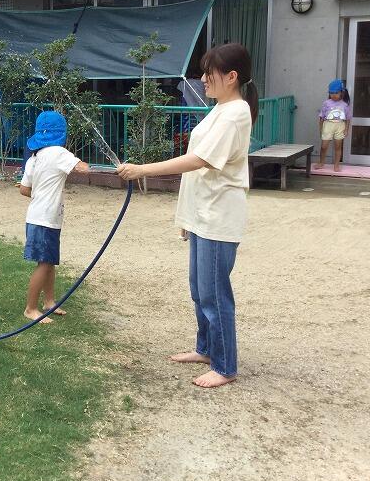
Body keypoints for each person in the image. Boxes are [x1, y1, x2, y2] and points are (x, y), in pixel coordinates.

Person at [117, 43, 257, 388]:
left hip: (218, 216)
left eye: (209, 72)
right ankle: (206, 349)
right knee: (199, 290)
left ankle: (225, 366)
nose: (203, 79)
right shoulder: (220, 109)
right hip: (202, 214)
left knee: (214, 293)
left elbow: (200, 161)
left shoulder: (236, 111)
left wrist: (142, 170)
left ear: (232, 76)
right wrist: (186, 218)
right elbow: (199, 165)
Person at [19, 111, 90, 324]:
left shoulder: (35, 157)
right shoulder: (59, 153)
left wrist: (41, 191)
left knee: (48, 261)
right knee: (44, 263)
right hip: (46, 219)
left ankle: (49, 302)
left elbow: (24, 189)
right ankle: (30, 308)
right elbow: (82, 168)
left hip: (36, 217)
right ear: (61, 133)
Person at [315, 79, 351, 172]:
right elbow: (321, 117)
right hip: (328, 125)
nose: (333, 95)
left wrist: (346, 129)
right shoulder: (326, 103)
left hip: (340, 126)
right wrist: (321, 129)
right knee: (324, 146)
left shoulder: (345, 105)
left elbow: (347, 118)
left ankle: (336, 165)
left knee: (338, 146)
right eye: (331, 93)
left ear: (342, 93)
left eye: (336, 93)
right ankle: (321, 162)